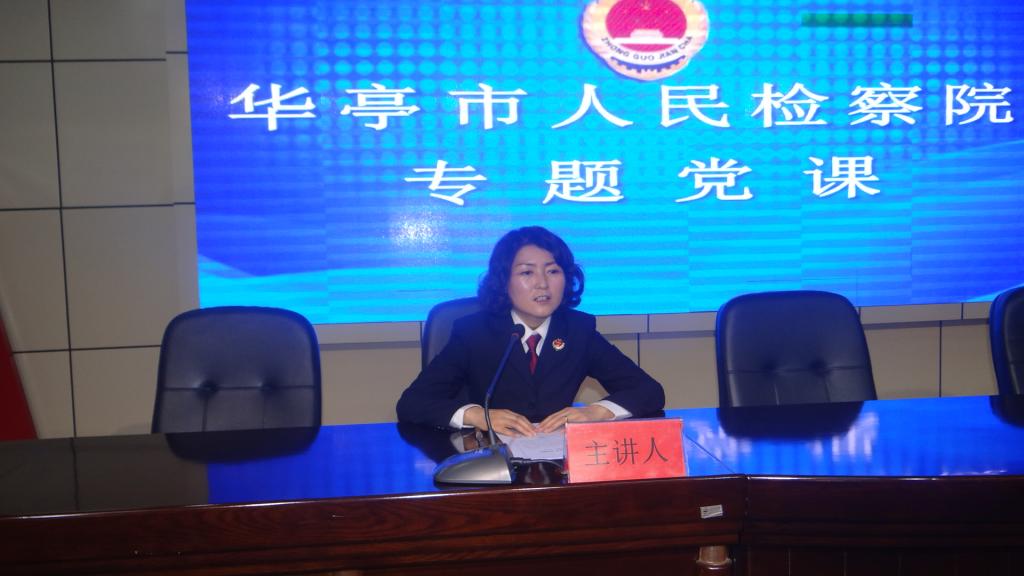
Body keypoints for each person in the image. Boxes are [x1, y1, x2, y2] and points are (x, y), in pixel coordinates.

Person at [396, 226, 665, 436]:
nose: (542, 284)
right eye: (527, 273)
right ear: (503, 282)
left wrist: (595, 412)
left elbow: (649, 391)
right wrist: (477, 416)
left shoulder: (578, 330)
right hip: (492, 463)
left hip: (559, 463)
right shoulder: (474, 333)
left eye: (553, 271)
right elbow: (413, 402)